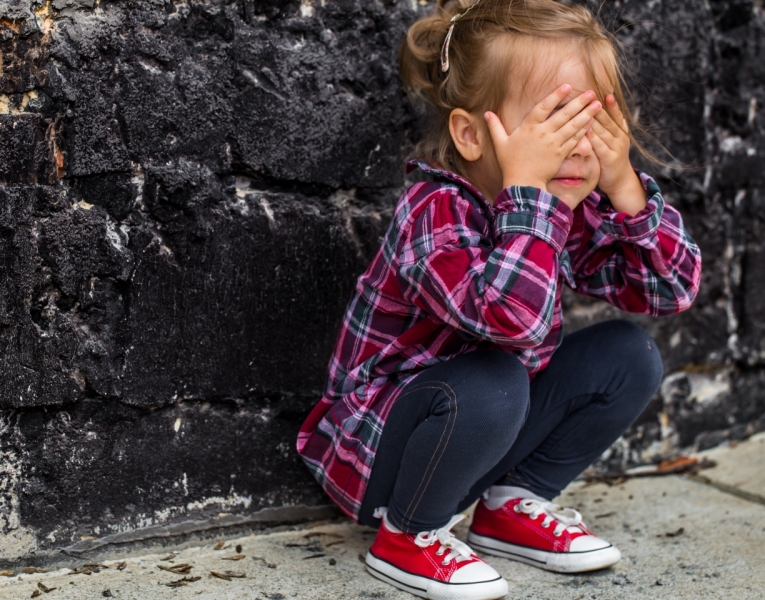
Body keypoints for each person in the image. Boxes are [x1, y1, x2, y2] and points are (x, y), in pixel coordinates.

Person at [296, 0, 702, 598]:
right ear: (471, 134)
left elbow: (671, 291)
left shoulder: (566, 206)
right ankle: (406, 535)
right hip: (383, 452)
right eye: (554, 122)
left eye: (590, 122)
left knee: (629, 355)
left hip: (484, 427)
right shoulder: (435, 210)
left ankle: (510, 503)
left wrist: (624, 188)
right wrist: (534, 204)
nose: (576, 146)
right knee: (498, 377)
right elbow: (510, 322)